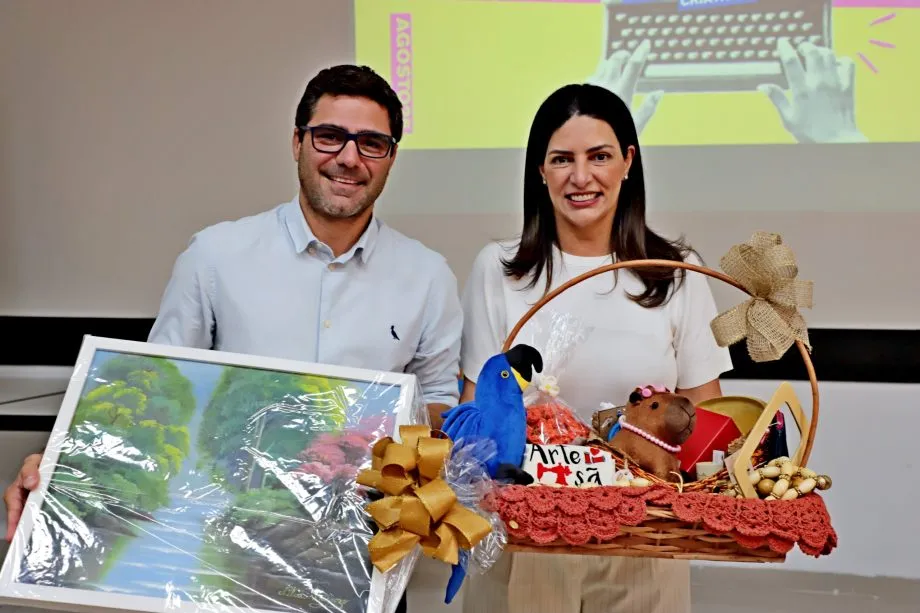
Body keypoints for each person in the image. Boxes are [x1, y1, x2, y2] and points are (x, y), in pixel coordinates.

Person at [3, 64, 462, 613]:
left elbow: (439, 405)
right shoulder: (216, 256)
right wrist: (63, 467)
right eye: (329, 136)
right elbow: (153, 387)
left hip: (361, 560)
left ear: (390, 157)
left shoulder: (428, 275)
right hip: (224, 562)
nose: (348, 157)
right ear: (297, 142)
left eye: (372, 143)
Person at [457, 83, 733, 612]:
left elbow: (706, 423)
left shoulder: (676, 276)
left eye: (599, 156)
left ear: (628, 162)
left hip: (644, 542)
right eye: (562, 159)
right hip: (524, 538)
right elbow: (478, 413)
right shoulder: (497, 270)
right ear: (540, 170)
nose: (581, 177)